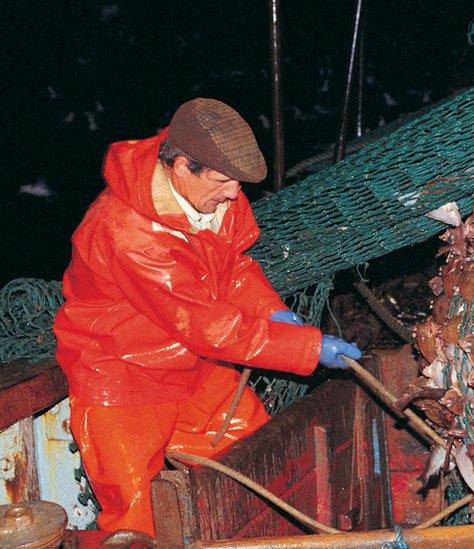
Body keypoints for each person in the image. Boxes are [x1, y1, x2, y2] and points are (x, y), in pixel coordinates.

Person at [52, 97, 361, 537]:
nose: (234, 195)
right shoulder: (127, 231)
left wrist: (273, 311)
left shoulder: (216, 198)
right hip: (122, 377)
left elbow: (233, 268)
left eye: (237, 183)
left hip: (193, 366)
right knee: (135, 523)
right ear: (180, 166)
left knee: (258, 459)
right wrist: (308, 348)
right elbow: (206, 327)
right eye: (223, 181)